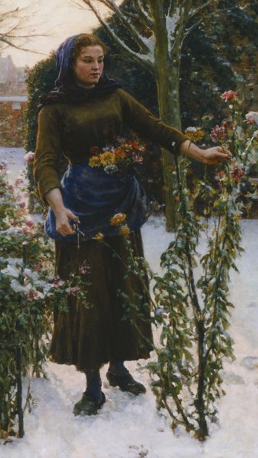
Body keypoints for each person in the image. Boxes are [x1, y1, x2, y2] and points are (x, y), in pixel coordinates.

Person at [33, 33, 230, 417]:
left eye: (100, 60)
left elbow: (156, 128)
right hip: (79, 212)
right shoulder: (52, 109)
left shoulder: (116, 96)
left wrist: (199, 152)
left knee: (124, 285)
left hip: (122, 206)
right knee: (89, 295)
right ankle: (92, 386)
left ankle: (119, 369)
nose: (96, 67)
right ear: (69, 65)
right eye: (87, 60)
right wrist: (58, 209)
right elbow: (44, 164)